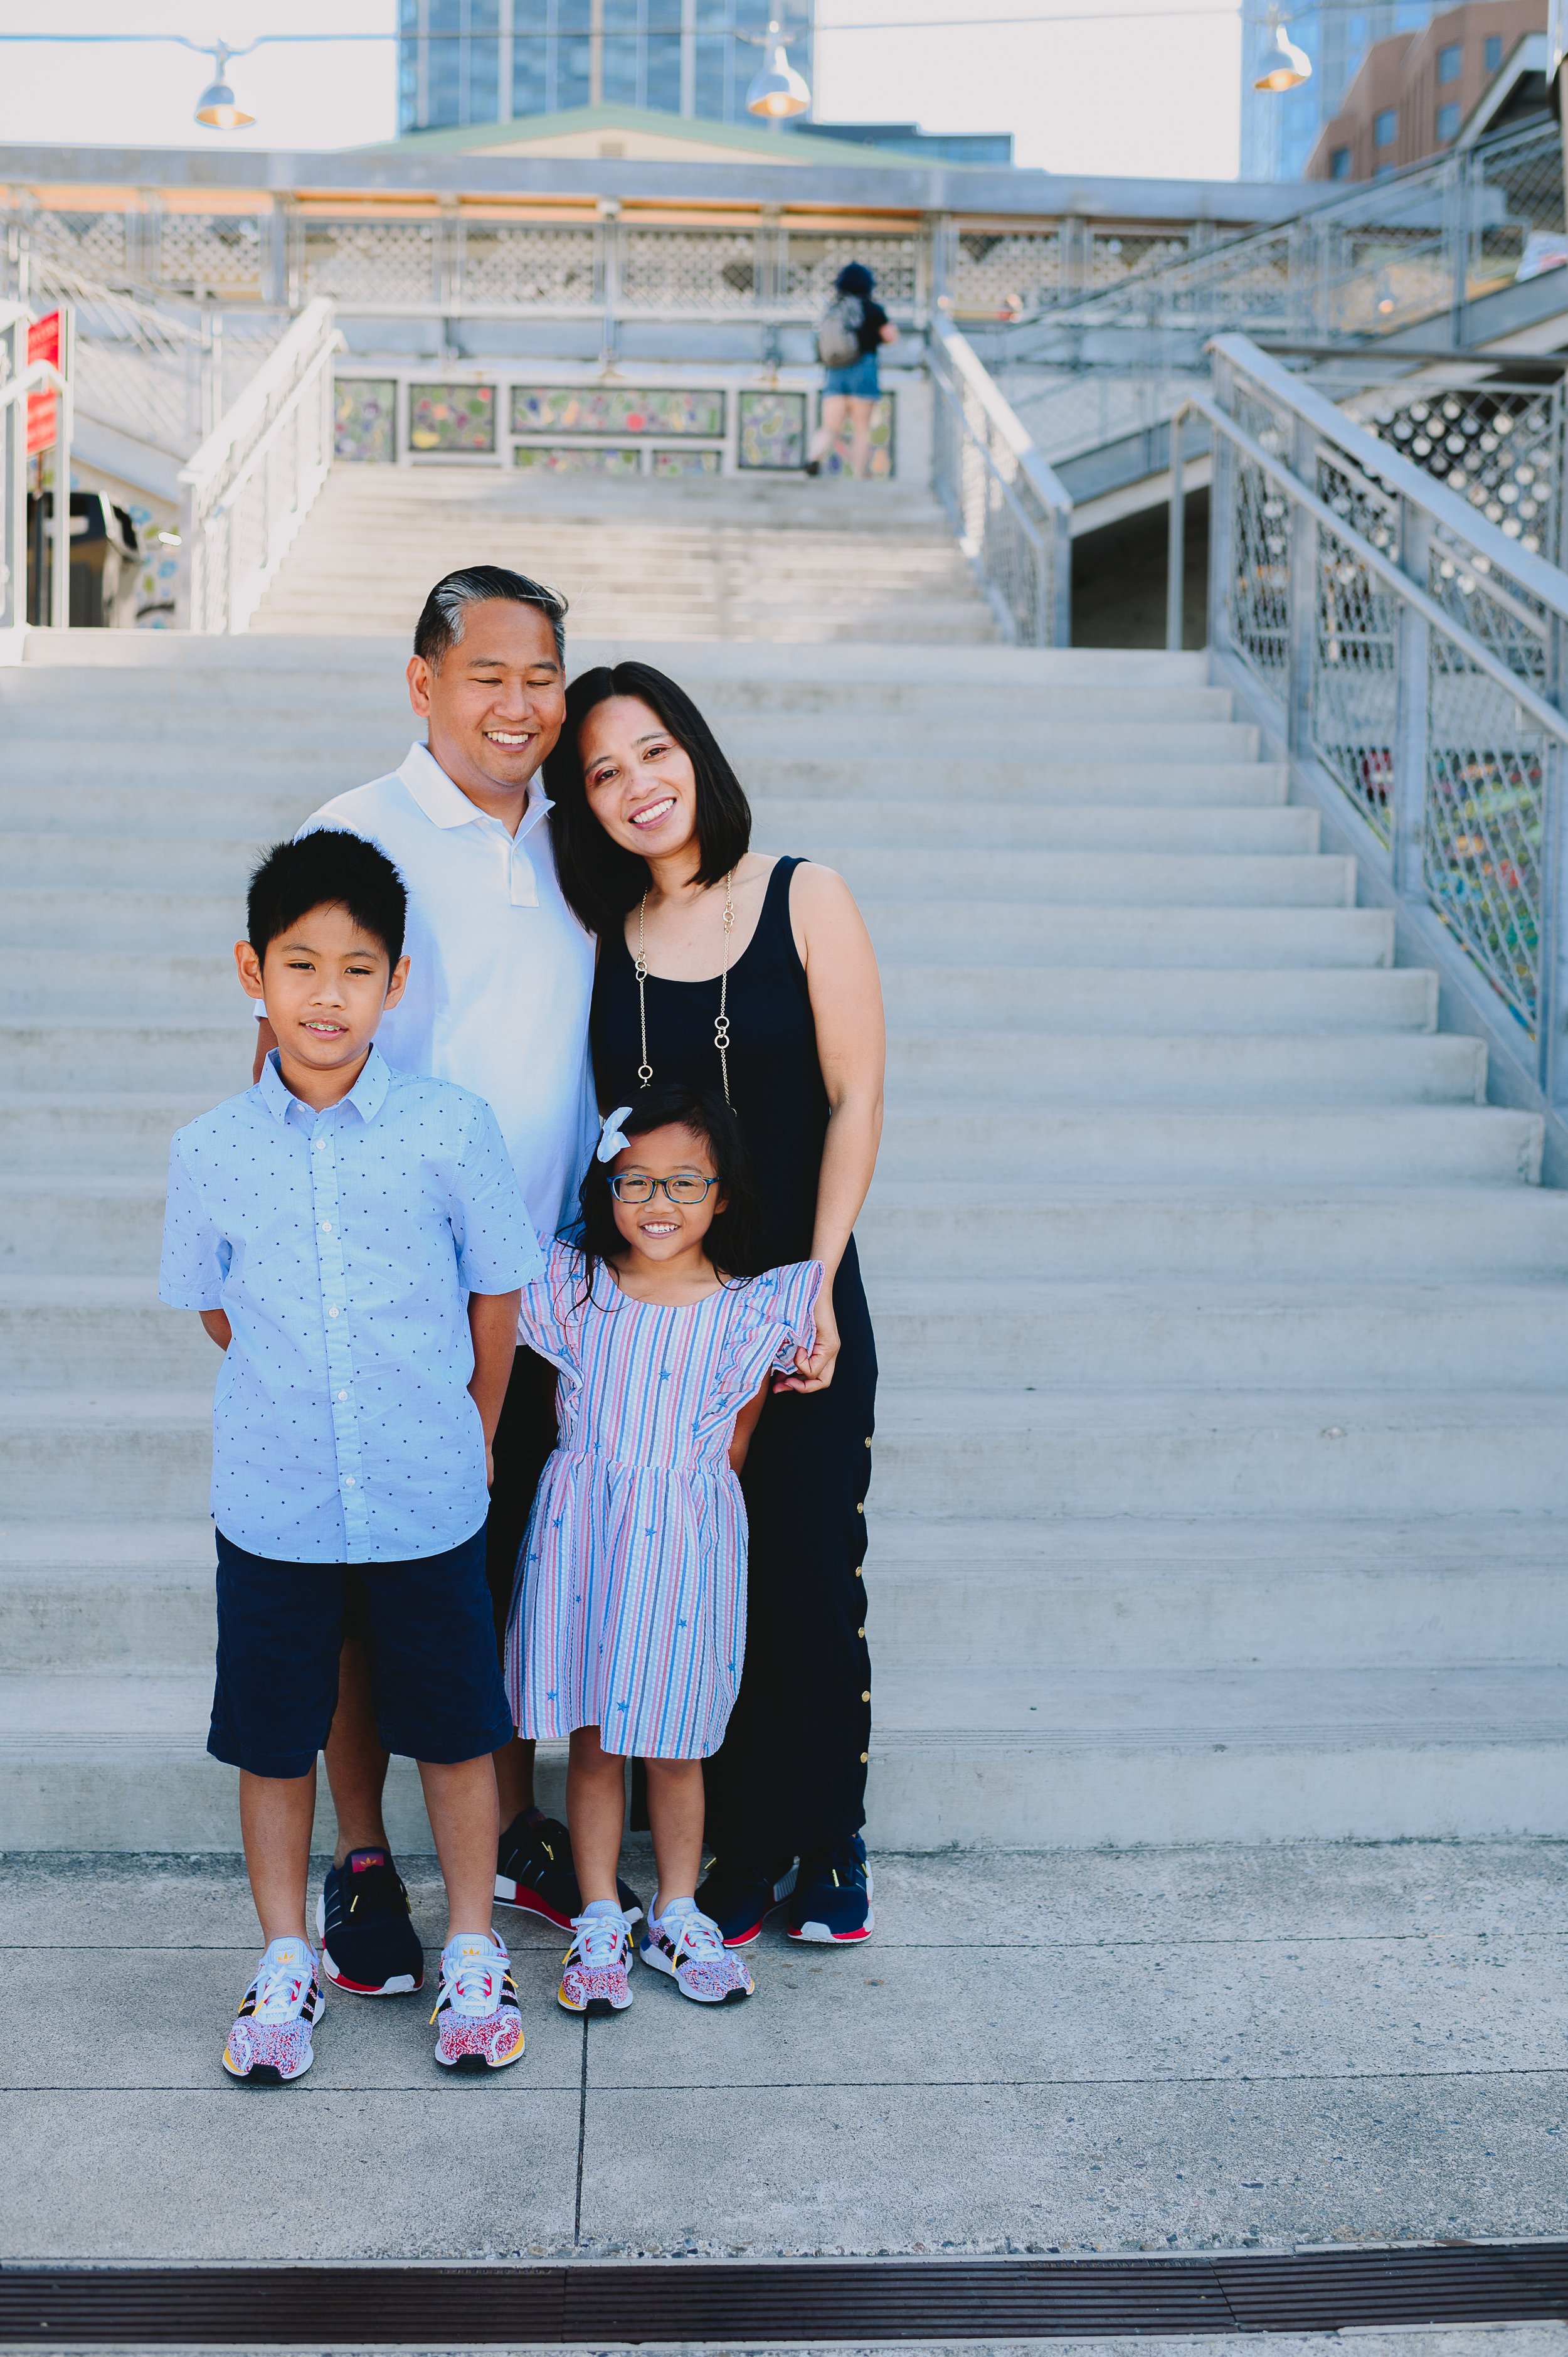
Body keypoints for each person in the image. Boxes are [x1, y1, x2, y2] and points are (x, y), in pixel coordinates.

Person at [252, 564, 635, 2000]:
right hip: (398, 1298)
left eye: (542, 673)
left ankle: (515, 1828)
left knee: (504, 1578)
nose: (519, 702)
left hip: (551, 1287)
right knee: (365, 1593)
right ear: (423, 682)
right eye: (488, 673)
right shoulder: (356, 829)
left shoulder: (574, 833)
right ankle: (363, 1862)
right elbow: (295, 1049)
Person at [161, 831, 539, 2081]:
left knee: (453, 1727)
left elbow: (497, 1297)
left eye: (357, 969)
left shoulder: (449, 1127)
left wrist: (473, 1431)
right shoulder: (210, 1147)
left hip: (427, 1492)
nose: (328, 995)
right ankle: (285, 1955)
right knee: (274, 1736)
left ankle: (473, 1945)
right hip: (273, 1503)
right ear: (251, 973)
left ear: (398, 983)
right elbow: (220, 1306)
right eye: (301, 965)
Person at [545, 661, 885, 1947]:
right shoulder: (603, 944)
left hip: (794, 1300)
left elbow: (855, 1097)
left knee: (806, 1567)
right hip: (660, 1324)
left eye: (653, 750)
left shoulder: (805, 893)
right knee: (698, 1585)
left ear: (695, 749)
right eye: (603, 771)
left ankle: (829, 1837)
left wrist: (816, 1283)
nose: (638, 784)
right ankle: (737, 1854)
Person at [506, 1085, 822, 2012]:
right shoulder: (576, 1292)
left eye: (685, 1182)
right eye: (634, 1179)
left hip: (687, 1538)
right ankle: (602, 1909)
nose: (658, 1202)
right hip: (589, 1530)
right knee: (597, 1738)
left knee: (677, 1743)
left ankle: (678, 1909)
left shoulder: (748, 1311)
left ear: (722, 1195)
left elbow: (735, 1443)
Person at [805, 262, 898, 481]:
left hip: (835, 373)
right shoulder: (872, 309)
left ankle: (814, 457)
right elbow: (890, 336)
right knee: (861, 429)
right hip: (863, 371)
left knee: (829, 427)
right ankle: (859, 476)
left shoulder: (834, 308)